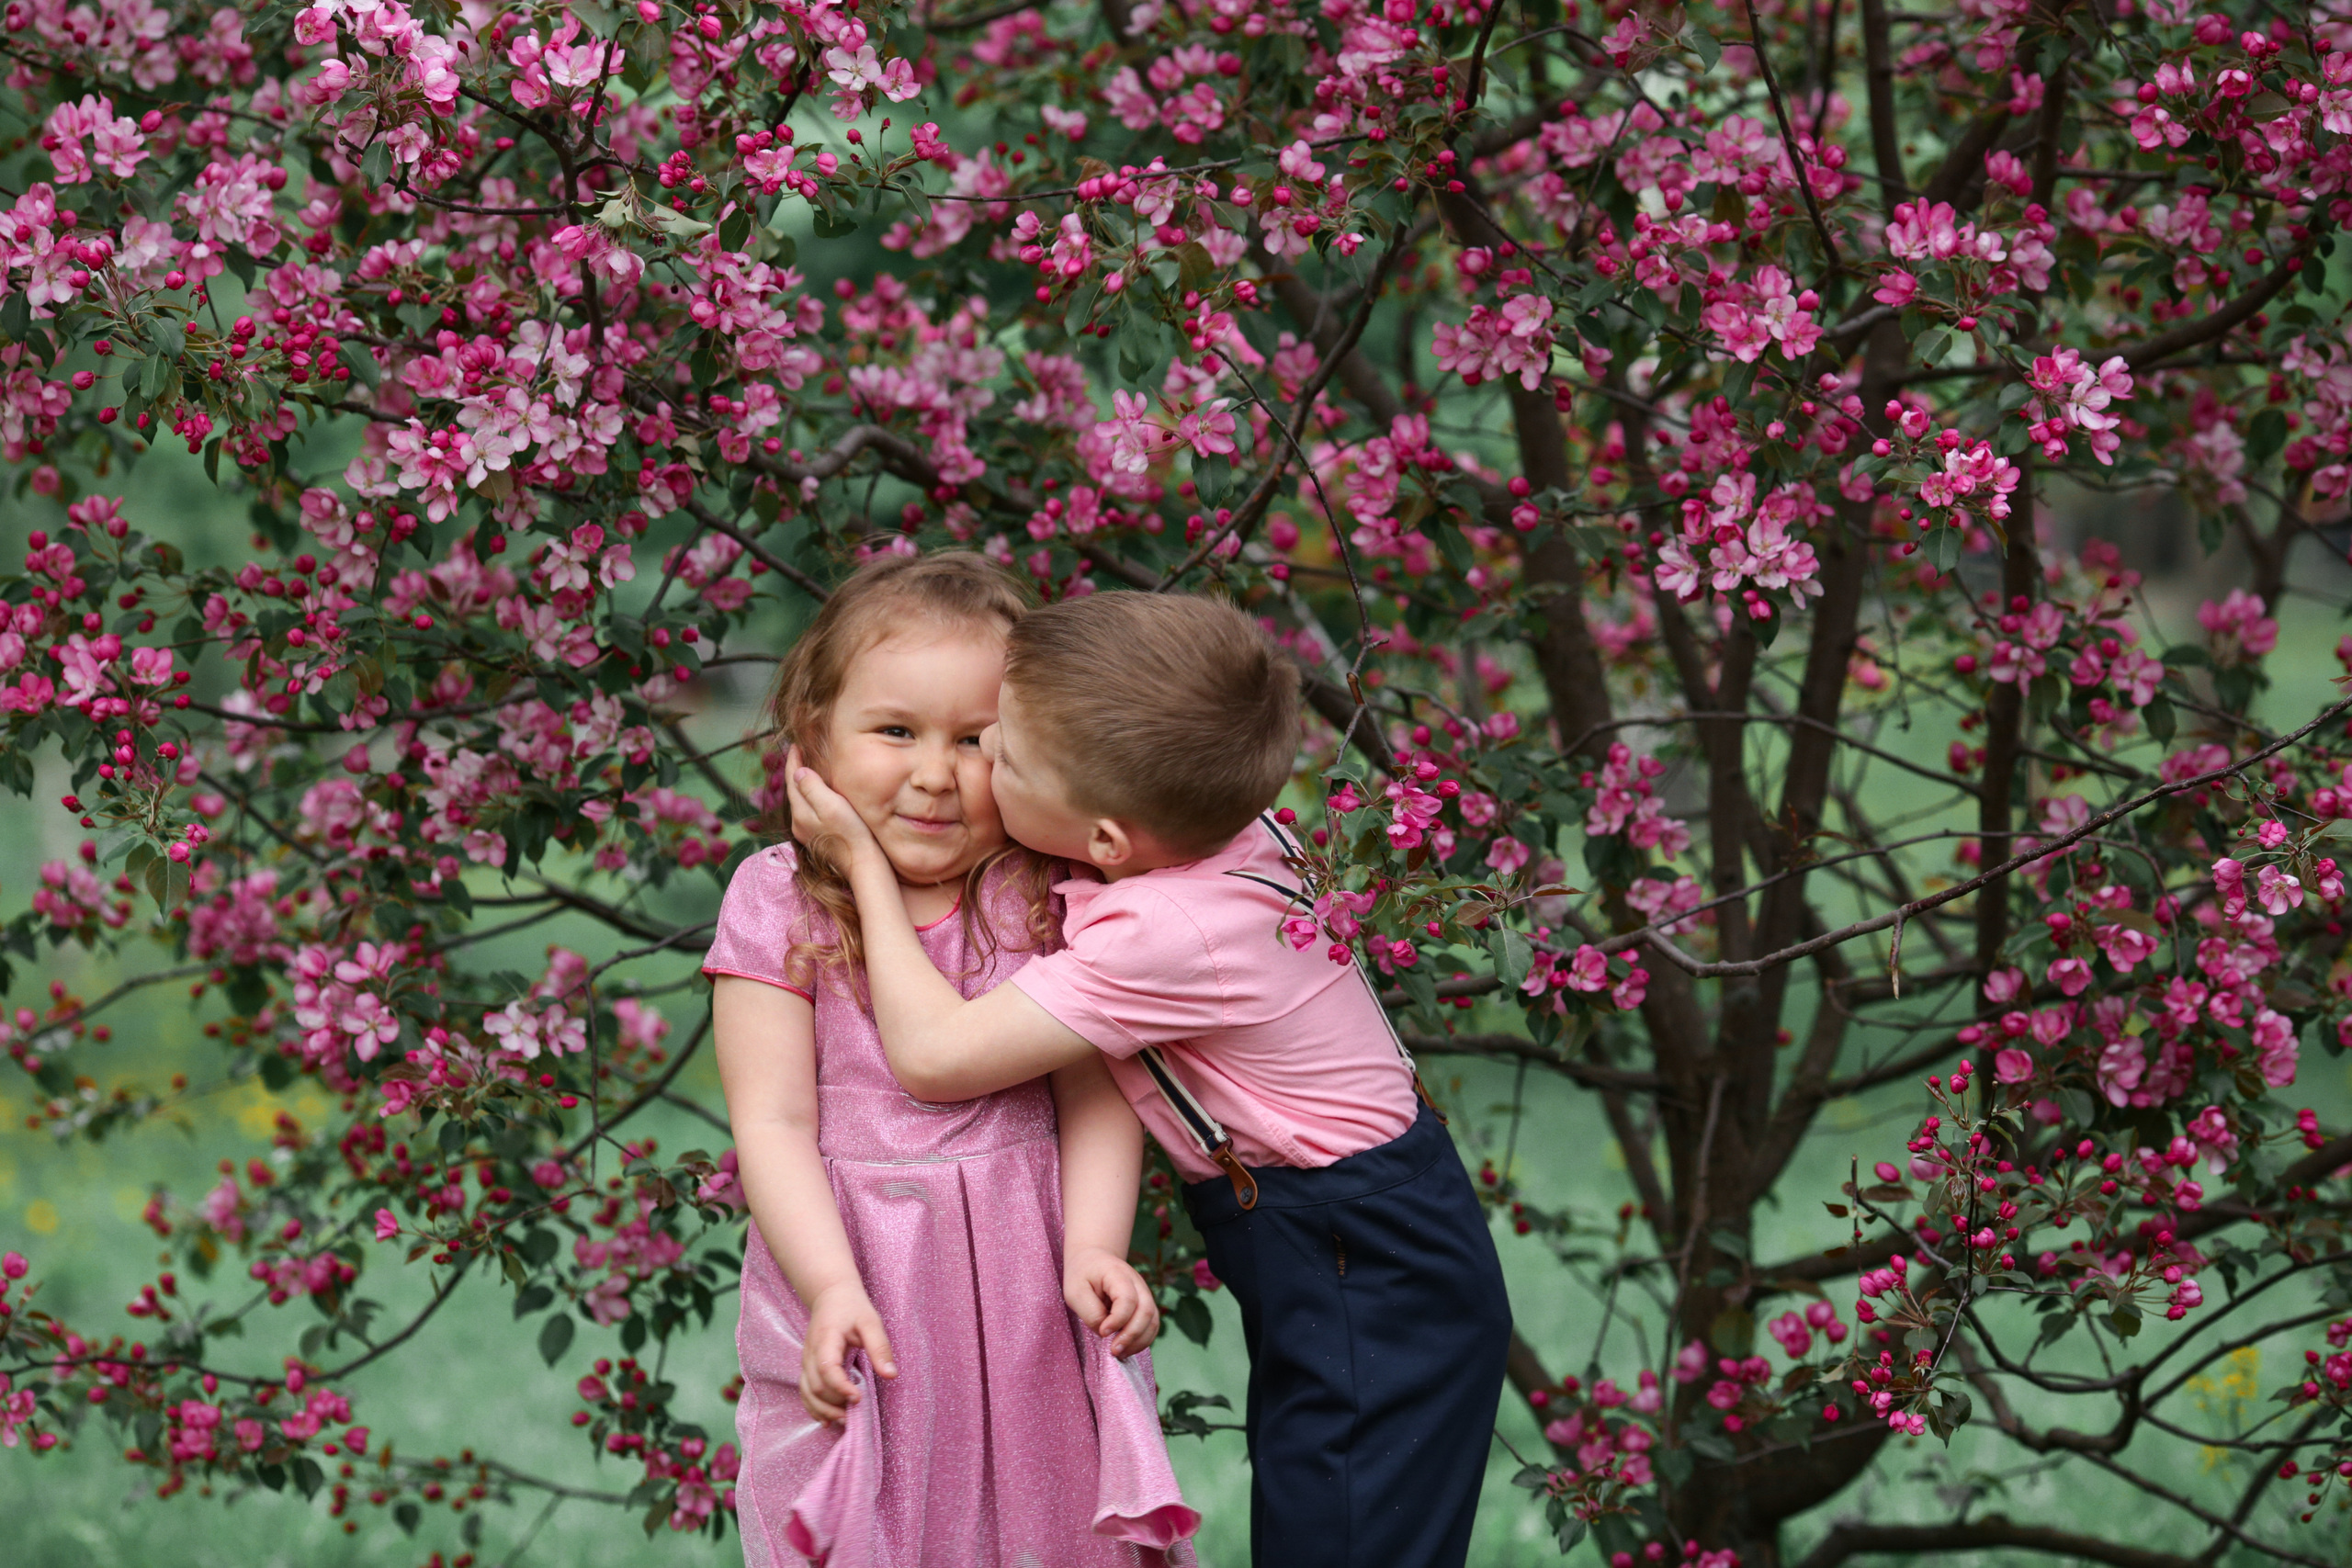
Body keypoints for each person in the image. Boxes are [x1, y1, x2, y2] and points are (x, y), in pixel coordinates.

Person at [786, 589, 1513, 1568]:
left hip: (1363, 1253)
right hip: (1366, 1230)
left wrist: (862, 868)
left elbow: (933, 1058)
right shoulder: (1219, 822)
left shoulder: (1166, 933)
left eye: (1003, 753)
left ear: (1104, 845)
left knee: (1341, 1540)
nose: (979, 766)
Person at [704, 554, 1199, 1568]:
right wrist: (829, 1285)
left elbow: (1094, 1093)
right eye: (895, 732)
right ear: (813, 747)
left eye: (976, 742)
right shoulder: (777, 900)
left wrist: (1096, 1248)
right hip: (858, 1274)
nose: (935, 775)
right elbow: (774, 1123)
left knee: (1049, 1527)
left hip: (1029, 1281)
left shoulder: (1040, 896)